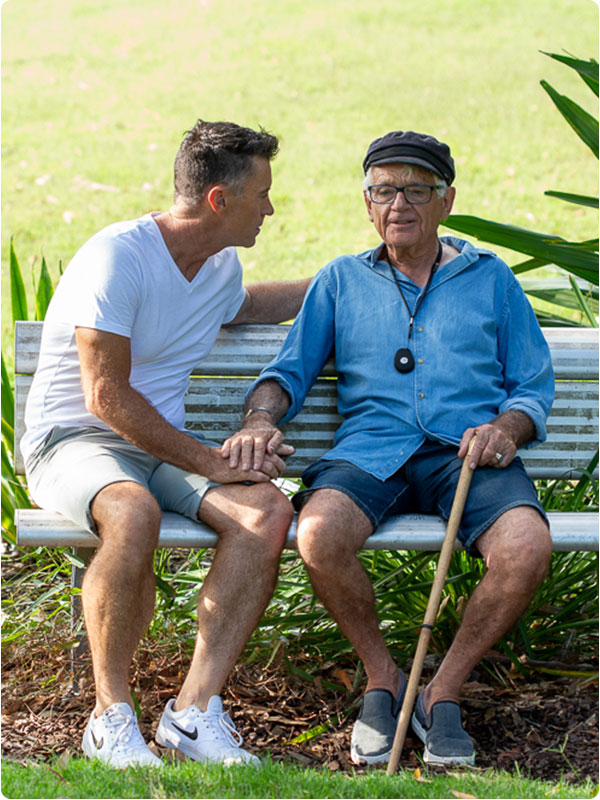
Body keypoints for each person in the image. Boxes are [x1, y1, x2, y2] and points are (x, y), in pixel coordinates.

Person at [222, 130, 555, 767]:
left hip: (468, 453)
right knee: (318, 535)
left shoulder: (491, 279)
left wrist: (506, 431)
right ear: (367, 202)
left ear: (446, 199)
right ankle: (384, 680)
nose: (398, 203)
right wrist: (260, 418)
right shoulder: (341, 280)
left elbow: (532, 382)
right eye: (383, 190)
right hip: (371, 451)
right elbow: (288, 371)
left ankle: (442, 693)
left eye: (415, 189)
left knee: (525, 547)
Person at [21, 120, 311, 768]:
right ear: (219, 200)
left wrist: (343, 282)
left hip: (156, 448)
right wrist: (209, 460)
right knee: (132, 511)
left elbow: (244, 306)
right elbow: (105, 397)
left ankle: (192, 714)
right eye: (262, 193)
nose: (270, 208)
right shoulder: (116, 258)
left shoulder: (218, 264)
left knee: (264, 513)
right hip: (72, 440)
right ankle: (110, 717)